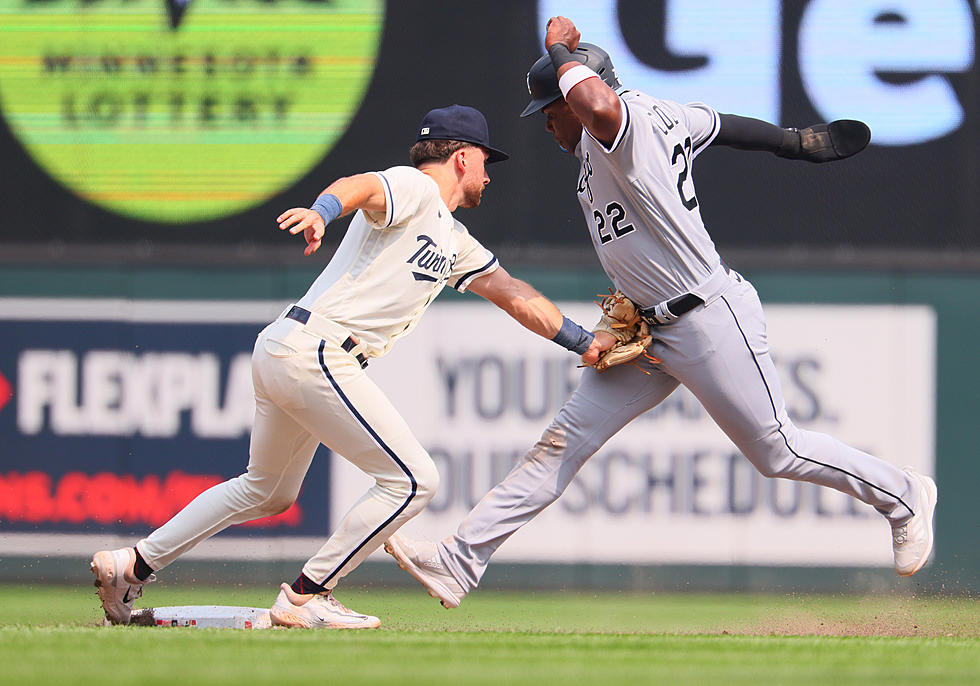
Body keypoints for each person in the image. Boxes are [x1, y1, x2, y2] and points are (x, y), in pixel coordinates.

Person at [384, 17, 938, 609]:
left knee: (776, 450)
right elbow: (723, 126)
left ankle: (903, 494)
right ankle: (459, 560)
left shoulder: (625, 125)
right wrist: (793, 141)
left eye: (553, 107)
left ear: (584, 87)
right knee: (563, 440)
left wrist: (558, 48)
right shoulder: (637, 126)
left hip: (706, 317)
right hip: (650, 329)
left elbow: (598, 103)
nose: (547, 120)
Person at [90, 104, 604, 629]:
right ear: (462, 157)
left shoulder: (453, 239)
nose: (488, 175)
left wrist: (584, 341)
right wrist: (323, 209)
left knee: (267, 490)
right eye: (485, 162)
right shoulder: (416, 187)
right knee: (412, 480)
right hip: (318, 349)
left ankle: (132, 564)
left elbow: (513, 293)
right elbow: (360, 186)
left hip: (289, 349)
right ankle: (311, 593)